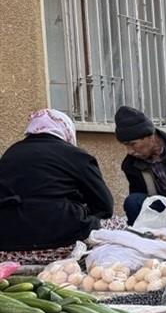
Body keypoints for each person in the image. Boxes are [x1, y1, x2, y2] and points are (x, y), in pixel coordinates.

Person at [0, 109, 113, 255]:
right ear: (66, 130)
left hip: (8, 247)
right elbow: (105, 207)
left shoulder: (10, 154)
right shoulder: (75, 156)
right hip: (62, 242)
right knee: (116, 225)